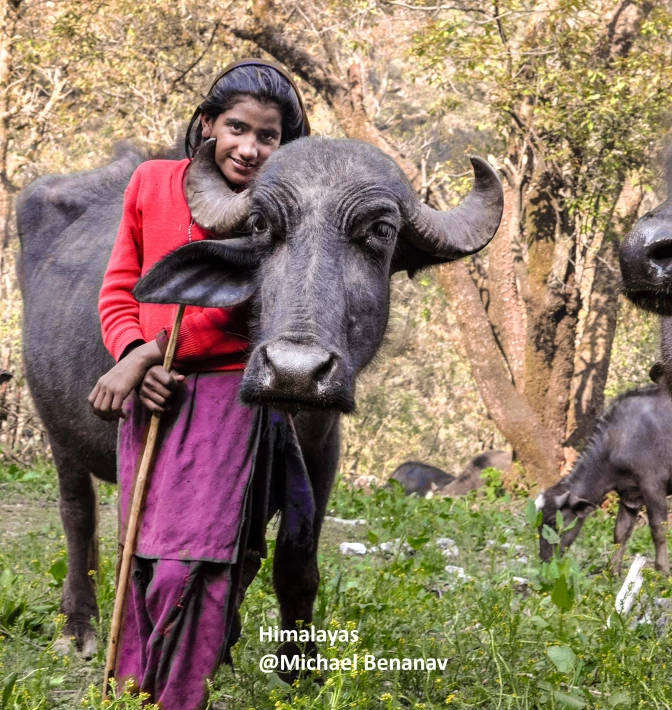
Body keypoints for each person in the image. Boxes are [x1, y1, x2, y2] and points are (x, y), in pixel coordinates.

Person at [88, 58, 310, 709]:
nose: (250, 146)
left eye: (268, 137)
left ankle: (178, 699)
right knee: (141, 562)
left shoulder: (280, 214)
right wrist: (136, 352)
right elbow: (119, 288)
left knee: (196, 567)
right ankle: (128, 693)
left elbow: (241, 314)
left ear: (282, 146)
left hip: (224, 403)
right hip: (153, 400)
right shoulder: (151, 183)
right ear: (209, 123)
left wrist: (145, 358)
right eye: (237, 127)